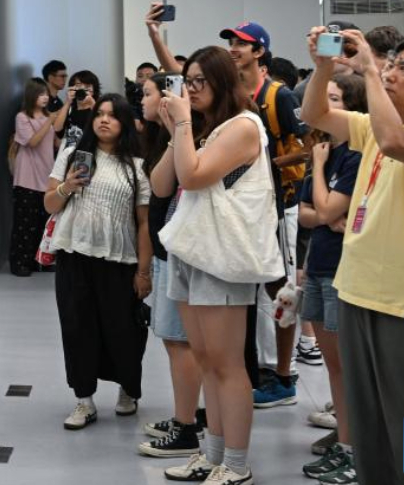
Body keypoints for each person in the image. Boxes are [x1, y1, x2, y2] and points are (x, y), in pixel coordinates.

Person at [301, 29, 404, 485]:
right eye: (390, 64)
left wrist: (369, 69)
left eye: (403, 68)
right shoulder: (373, 125)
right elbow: (314, 113)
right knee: (369, 427)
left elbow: (394, 143)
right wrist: (324, 67)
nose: (390, 73)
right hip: (355, 288)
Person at [157, 46, 283, 485]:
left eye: (198, 82)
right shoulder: (207, 128)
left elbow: (191, 176)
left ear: (223, 83)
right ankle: (212, 456)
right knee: (206, 360)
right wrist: (176, 128)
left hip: (223, 258)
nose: (189, 90)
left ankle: (236, 463)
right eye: (184, 81)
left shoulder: (245, 126)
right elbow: (163, 183)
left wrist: (183, 123)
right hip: (193, 250)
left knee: (228, 364)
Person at [43, 94, 152, 431]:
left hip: (119, 259)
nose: (104, 120)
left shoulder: (136, 166)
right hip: (74, 255)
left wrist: (143, 271)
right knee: (77, 327)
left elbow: (144, 223)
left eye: (113, 115)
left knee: (122, 329)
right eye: (99, 114)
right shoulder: (72, 155)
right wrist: (66, 187)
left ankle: (128, 390)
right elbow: (49, 205)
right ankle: (84, 399)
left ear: (124, 123)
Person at [219, 20, 307, 409]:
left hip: (281, 205)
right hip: (244, 207)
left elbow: (310, 148)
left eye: (242, 43)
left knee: (280, 290)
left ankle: (284, 376)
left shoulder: (279, 96)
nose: (234, 47)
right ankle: (257, 371)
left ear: (260, 52)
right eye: (231, 42)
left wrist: (266, 161)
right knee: (247, 290)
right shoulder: (233, 94)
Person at [298, 73, 366, 484]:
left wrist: (319, 170)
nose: (324, 109)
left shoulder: (356, 154)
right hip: (321, 263)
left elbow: (322, 211)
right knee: (335, 369)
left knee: (353, 369)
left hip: (350, 271)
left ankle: (360, 449)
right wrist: (326, 212)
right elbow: (310, 213)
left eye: (335, 99)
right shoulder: (325, 148)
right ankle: (345, 445)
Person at [139, 73, 204, 460]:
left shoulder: (197, 133)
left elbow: (183, 180)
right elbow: (160, 185)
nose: (153, 99)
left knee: (184, 343)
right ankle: (187, 418)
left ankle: (188, 426)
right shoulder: (171, 135)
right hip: (169, 248)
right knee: (174, 339)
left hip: (183, 253)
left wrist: (180, 125)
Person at [10, 78, 57, 276]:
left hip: (47, 176)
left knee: (42, 222)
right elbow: (32, 141)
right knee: (24, 223)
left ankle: (40, 261)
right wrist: (49, 122)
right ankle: (20, 263)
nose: (45, 97)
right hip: (27, 177)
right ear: (31, 96)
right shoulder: (22, 117)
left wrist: (69, 104)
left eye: (46, 94)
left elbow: (54, 141)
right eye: (41, 94)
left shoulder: (48, 117)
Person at [52, 70, 100, 150]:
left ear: (93, 91)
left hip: (91, 153)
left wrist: (93, 105)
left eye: (87, 87)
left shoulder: (98, 108)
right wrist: (68, 102)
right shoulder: (69, 109)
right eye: (78, 85)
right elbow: (57, 128)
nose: (82, 89)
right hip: (70, 155)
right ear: (72, 88)